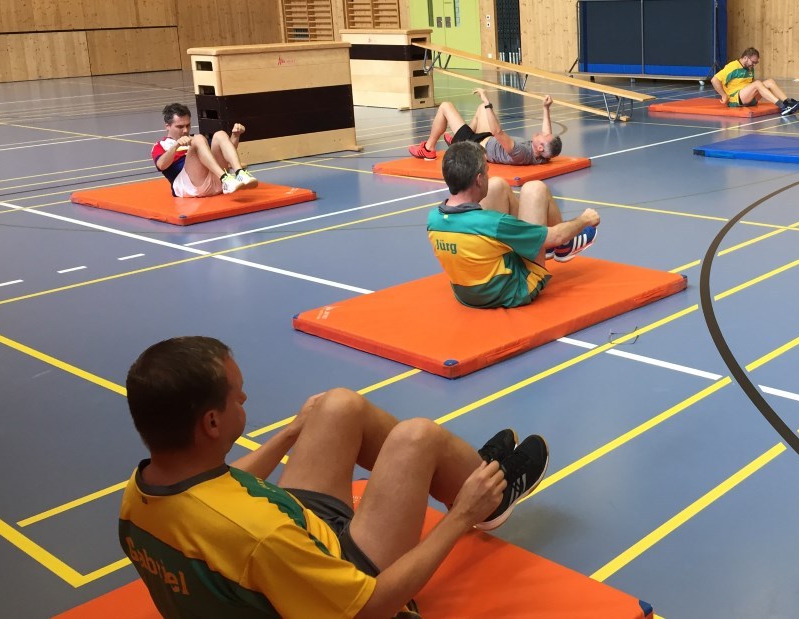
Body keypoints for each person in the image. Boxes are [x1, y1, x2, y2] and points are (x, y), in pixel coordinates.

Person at [119, 336, 549, 618]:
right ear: (212, 423)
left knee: (338, 406)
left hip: (298, 545)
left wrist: (291, 433)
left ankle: (471, 475)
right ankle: (487, 499)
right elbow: (370, 607)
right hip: (335, 578)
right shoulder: (261, 539)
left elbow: (221, 484)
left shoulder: (140, 495)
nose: (245, 396)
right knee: (417, 438)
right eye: (237, 396)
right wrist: (460, 517)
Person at [427, 141, 599, 309]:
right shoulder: (493, 223)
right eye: (486, 172)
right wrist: (585, 219)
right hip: (513, 291)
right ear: (479, 179)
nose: (488, 177)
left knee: (497, 185)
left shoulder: (433, 218)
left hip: (466, 295)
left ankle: (537, 239)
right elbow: (556, 236)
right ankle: (564, 246)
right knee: (534, 189)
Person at [410, 89, 561, 165]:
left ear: (540, 147)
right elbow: (548, 137)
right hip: (486, 140)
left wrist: (487, 101)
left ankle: (429, 149)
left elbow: (497, 132)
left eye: (543, 136)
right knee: (482, 109)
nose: (542, 133)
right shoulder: (542, 154)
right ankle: (457, 140)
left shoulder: (521, 153)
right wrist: (546, 108)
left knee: (445, 106)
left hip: (476, 145)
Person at [152, 103, 258, 197]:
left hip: (215, 182)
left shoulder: (196, 140)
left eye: (188, 125)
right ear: (167, 126)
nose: (185, 130)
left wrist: (235, 136)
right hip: (191, 187)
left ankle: (240, 173)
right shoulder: (160, 145)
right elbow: (161, 165)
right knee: (198, 138)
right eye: (180, 127)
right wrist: (176, 146)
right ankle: (225, 178)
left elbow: (225, 155)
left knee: (220, 134)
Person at [711, 48, 799, 116]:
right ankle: (783, 106)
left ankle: (788, 103)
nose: (754, 65)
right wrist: (724, 95)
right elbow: (714, 80)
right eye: (753, 62)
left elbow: (751, 84)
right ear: (745, 58)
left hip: (748, 97)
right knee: (757, 83)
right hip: (735, 99)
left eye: (756, 63)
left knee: (770, 82)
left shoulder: (749, 68)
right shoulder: (732, 67)